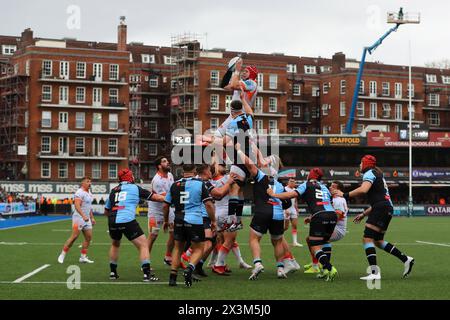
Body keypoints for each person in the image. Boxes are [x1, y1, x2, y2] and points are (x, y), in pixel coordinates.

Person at [332, 155, 414, 281]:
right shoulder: (377, 174)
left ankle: (375, 272)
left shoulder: (369, 173)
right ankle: (406, 259)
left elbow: (364, 189)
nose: (359, 165)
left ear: (365, 164)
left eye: (361, 163)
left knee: (367, 239)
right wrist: (364, 214)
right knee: (378, 241)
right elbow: (380, 200)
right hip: (386, 208)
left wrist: (345, 194)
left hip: (381, 208)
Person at [268, 168, 338, 282]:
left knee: (314, 244)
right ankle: (325, 270)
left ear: (309, 176)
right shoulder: (324, 186)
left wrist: (274, 194)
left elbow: (291, 195)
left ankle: (329, 268)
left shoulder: (306, 184)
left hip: (319, 215)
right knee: (325, 242)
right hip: (332, 215)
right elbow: (327, 202)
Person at [104, 168, 164, 282]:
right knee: (143, 245)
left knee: (115, 244)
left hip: (112, 220)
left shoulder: (113, 191)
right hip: (127, 219)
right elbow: (156, 197)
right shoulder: (135, 188)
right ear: (131, 177)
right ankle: (147, 275)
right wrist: (170, 199)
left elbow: (106, 211)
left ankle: (113, 273)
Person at [163, 164, 217, 288]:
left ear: (183, 171)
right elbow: (208, 205)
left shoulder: (174, 184)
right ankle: (190, 268)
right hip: (195, 220)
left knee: (178, 248)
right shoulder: (199, 184)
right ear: (194, 171)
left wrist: (166, 220)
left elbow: (165, 205)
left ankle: (173, 277)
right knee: (199, 248)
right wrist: (213, 221)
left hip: (179, 220)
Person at [304, 180, 348, 274]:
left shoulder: (339, 200)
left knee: (313, 240)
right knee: (317, 240)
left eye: (333, 187)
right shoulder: (333, 199)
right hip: (332, 226)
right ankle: (319, 264)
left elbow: (338, 216)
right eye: (330, 186)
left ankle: (317, 265)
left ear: (338, 190)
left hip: (338, 229)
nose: (330, 188)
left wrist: (319, 223)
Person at [58, 177, 96, 264]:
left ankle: (83, 257)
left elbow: (89, 207)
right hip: (78, 218)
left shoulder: (89, 192)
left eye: (90, 181)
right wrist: (83, 216)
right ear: (82, 183)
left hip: (86, 219)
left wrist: (92, 217)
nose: (89, 183)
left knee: (88, 238)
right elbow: (77, 206)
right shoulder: (79, 192)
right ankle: (62, 254)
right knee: (74, 237)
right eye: (87, 181)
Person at [147, 157, 175, 266]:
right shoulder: (157, 180)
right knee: (153, 235)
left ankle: (168, 256)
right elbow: (165, 200)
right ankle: (146, 263)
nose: (167, 162)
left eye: (167, 161)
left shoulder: (170, 175)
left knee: (174, 232)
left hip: (167, 208)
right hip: (156, 211)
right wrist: (166, 220)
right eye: (164, 161)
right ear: (159, 166)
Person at [284, 178, 302, 247]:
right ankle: (278, 237)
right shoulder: (284, 189)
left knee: (295, 226)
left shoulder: (295, 190)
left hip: (293, 209)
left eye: (293, 182)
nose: (292, 183)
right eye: (291, 181)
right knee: (286, 227)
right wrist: (285, 209)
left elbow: (295, 200)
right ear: (288, 182)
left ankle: (295, 242)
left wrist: (297, 209)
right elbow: (281, 199)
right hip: (287, 209)